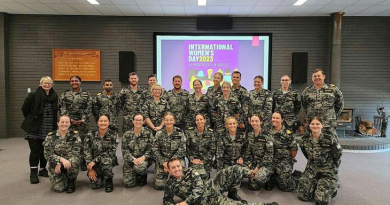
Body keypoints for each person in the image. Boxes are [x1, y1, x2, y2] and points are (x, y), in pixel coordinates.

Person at [163, 158, 279, 205]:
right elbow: (166, 200)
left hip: (210, 187)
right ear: (169, 169)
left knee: (233, 169)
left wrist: (185, 203)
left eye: (178, 166)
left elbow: (198, 189)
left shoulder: (191, 172)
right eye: (173, 167)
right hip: (207, 200)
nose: (177, 169)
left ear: (181, 165)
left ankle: (249, 176)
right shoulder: (169, 184)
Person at [21, 76, 58, 184]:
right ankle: (33, 173)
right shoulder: (33, 95)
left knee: (44, 150)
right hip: (34, 128)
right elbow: (24, 109)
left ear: (52, 85)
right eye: (45, 83)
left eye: (49, 83)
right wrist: (32, 118)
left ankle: (42, 169)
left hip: (49, 128)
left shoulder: (54, 96)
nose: (47, 85)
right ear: (40, 84)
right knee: (35, 151)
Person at [298, 116, 342, 205]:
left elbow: (337, 155)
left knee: (321, 201)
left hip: (327, 171)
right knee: (303, 196)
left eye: (318, 124)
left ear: (322, 125)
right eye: (312, 124)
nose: (315, 126)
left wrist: (333, 170)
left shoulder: (330, 139)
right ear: (309, 125)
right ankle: (316, 183)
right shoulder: (305, 140)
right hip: (311, 170)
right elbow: (306, 154)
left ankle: (332, 185)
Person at [59, 75, 92, 171]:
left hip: (83, 123)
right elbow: (62, 107)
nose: (74, 82)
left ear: (80, 82)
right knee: (70, 142)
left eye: (76, 81)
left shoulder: (86, 94)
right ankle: (71, 161)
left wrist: (83, 119)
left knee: (83, 142)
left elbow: (89, 107)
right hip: (69, 124)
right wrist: (69, 119)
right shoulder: (65, 94)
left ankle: (82, 162)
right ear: (70, 83)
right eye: (72, 81)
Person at [43, 115, 81, 193]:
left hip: (70, 162)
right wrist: (60, 161)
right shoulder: (50, 137)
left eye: (67, 122)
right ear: (58, 123)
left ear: (70, 124)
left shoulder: (75, 135)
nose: (64, 124)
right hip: (55, 164)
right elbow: (47, 154)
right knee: (59, 188)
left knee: (74, 161)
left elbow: (76, 152)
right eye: (62, 122)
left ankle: (71, 180)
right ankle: (63, 176)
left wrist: (65, 161)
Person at [301, 68, 344, 135]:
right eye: (315, 76)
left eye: (319, 76)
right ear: (312, 78)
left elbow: (339, 105)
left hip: (328, 124)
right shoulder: (307, 91)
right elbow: (304, 105)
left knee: (329, 143)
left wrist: (332, 116)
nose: (317, 78)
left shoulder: (333, 89)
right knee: (312, 142)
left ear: (323, 76)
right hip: (313, 124)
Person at [84, 115, 119, 192]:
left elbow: (111, 152)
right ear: (97, 122)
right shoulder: (90, 135)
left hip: (108, 160)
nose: (103, 123)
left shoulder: (113, 134)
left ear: (109, 123)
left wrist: (95, 160)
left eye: (105, 121)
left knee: (106, 161)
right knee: (94, 186)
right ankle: (101, 174)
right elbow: (87, 151)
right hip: (93, 163)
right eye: (101, 121)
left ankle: (108, 179)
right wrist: (90, 169)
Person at [216, 117, 247, 202]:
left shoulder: (241, 135)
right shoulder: (222, 137)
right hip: (227, 162)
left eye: (234, 123)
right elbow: (219, 155)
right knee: (223, 178)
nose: (232, 125)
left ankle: (232, 193)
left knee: (240, 172)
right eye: (230, 124)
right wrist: (220, 170)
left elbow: (246, 149)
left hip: (238, 161)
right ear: (226, 126)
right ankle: (219, 195)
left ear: (237, 124)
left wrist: (242, 157)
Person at [152, 112, 187, 190]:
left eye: (171, 120)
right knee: (160, 186)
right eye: (167, 120)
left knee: (182, 183)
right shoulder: (159, 134)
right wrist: (164, 163)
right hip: (163, 160)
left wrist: (170, 164)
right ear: (163, 121)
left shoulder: (180, 132)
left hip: (177, 160)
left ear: (174, 121)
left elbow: (182, 149)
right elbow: (155, 150)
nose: (169, 122)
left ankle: (173, 178)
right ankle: (168, 177)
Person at [267, 111, 298, 192]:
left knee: (286, 187)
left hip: (283, 161)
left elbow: (293, 150)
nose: (275, 120)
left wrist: (288, 162)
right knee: (264, 183)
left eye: (277, 118)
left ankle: (296, 176)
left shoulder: (288, 133)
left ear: (282, 120)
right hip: (270, 161)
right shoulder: (267, 131)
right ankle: (274, 176)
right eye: (273, 118)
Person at [122, 114, 154, 188]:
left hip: (144, 160)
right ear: (133, 121)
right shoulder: (127, 134)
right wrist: (133, 160)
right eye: (136, 120)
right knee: (128, 184)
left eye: (140, 120)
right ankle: (134, 172)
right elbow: (124, 150)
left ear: (143, 122)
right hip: (131, 160)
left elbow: (152, 148)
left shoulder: (148, 133)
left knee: (140, 168)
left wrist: (143, 157)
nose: (138, 122)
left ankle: (143, 174)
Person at [244, 114, 274, 191]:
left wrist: (257, 168)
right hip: (254, 162)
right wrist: (249, 167)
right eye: (252, 121)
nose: (254, 123)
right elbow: (248, 152)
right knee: (253, 187)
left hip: (265, 164)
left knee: (259, 178)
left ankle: (270, 178)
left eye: (256, 121)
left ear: (261, 122)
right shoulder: (250, 135)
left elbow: (269, 156)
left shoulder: (267, 135)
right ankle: (256, 175)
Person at [185, 114, 216, 180]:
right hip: (194, 160)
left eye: (201, 119)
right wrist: (192, 159)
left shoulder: (210, 133)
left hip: (206, 160)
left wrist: (204, 160)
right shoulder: (190, 132)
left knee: (205, 183)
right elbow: (186, 147)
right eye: (197, 120)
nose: (199, 121)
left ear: (205, 120)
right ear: (195, 122)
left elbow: (212, 149)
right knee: (193, 180)